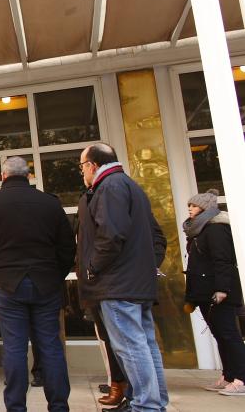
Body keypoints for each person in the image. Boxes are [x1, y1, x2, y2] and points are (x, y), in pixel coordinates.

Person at [0, 156, 76, 411]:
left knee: (14, 348)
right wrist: (55, 275)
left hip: (7, 284)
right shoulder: (50, 203)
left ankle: (16, 407)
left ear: (3, 176)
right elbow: (68, 247)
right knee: (50, 345)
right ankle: (59, 406)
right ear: (29, 176)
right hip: (46, 284)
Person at [77, 143, 168, 412]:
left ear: (92, 165)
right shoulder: (130, 186)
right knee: (145, 346)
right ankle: (155, 402)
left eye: (82, 166)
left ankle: (146, 406)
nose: (82, 172)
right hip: (134, 283)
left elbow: (111, 234)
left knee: (131, 348)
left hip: (117, 285)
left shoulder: (109, 187)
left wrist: (92, 267)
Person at [182, 189, 245, 396]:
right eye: (189, 205)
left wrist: (222, 289)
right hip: (205, 292)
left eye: (193, 205)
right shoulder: (199, 229)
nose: (190, 208)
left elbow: (223, 261)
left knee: (229, 335)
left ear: (205, 207)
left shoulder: (216, 229)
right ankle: (228, 376)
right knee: (219, 335)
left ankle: (241, 378)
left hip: (219, 293)